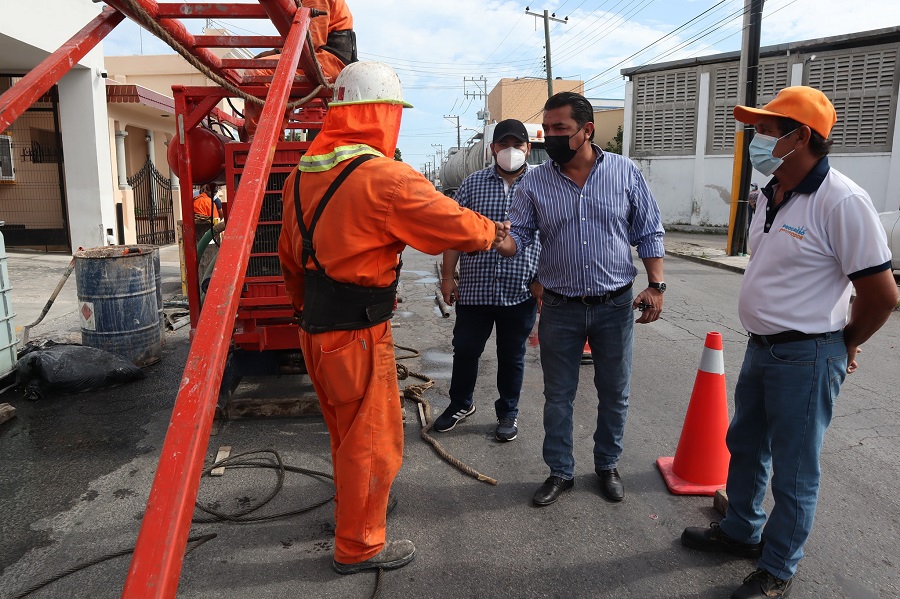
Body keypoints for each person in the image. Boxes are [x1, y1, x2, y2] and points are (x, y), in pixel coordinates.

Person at [277, 61, 509, 575]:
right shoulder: (383, 178)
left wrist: (305, 316)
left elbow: (289, 262)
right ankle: (359, 545)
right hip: (358, 334)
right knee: (373, 441)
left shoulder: (299, 179)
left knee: (344, 431)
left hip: (316, 332)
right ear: (382, 116)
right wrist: (497, 235)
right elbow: (448, 221)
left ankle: (356, 510)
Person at [681, 86, 898, 599]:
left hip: (808, 354)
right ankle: (741, 531)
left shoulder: (842, 200)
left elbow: (882, 294)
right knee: (746, 446)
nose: (755, 139)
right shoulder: (772, 192)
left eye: (766, 130)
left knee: (795, 471)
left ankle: (777, 566)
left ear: (801, 137)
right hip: (762, 346)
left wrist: (844, 342)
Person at [496, 91, 666, 506]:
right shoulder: (534, 181)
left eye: (560, 129)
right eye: (547, 129)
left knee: (615, 392)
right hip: (559, 308)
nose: (550, 137)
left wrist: (656, 285)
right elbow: (518, 236)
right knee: (558, 395)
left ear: (587, 131)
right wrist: (499, 241)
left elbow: (649, 230)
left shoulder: (625, 173)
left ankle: (607, 464)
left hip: (614, 307)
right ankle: (560, 471)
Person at [435, 119, 541, 442]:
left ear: (528, 148)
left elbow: (553, 236)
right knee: (465, 349)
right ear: (492, 149)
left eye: (517, 145)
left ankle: (508, 412)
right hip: (476, 289)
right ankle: (460, 404)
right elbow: (455, 235)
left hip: (520, 289)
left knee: (512, 355)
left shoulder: (542, 185)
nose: (511, 151)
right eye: (504, 144)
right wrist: (447, 278)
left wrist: (544, 281)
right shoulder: (472, 185)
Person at [242, 0, 356, 141]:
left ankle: (258, 142)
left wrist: (274, 52)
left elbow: (311, 39)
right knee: (277, 89)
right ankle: (270, 142)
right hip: (326, 58)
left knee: (258, 74)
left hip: (328, 60)